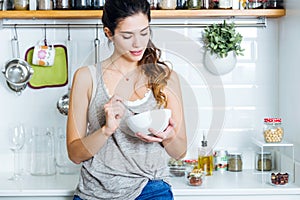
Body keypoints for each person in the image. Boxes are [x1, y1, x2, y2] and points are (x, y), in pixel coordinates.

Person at [67, 0, 187, 199]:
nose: (138, 43)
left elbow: (180, 152)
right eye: (127, 35)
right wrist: (106, 130)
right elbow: (75, 154)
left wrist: (169, 136)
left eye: (144, 32)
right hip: (95, 192)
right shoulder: (86, 78)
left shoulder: (166, 77)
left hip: (151, 190)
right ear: (109, 33)